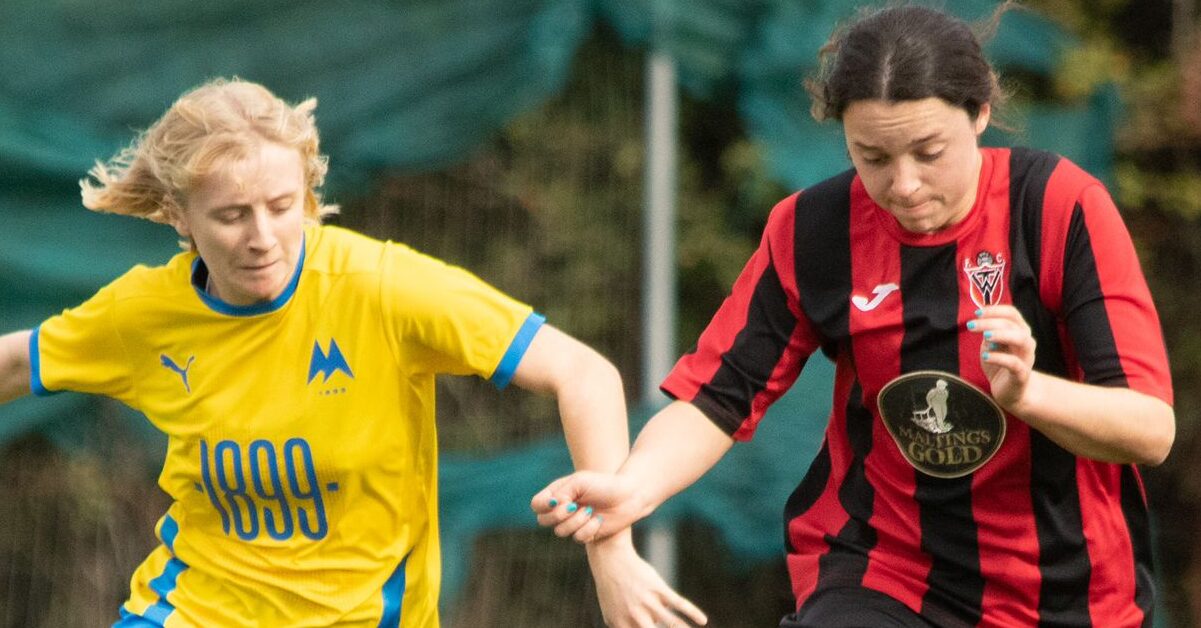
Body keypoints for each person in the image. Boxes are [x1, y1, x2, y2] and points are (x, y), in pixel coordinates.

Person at [533, 3, 1175, 627]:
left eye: (928, 152)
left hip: (1075, 593)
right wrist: (636, 488)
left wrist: (1031, 394)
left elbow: (1150, 431)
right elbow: (716, 399)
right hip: (883, 574)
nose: (903, 184)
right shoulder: (814, 230)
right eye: (872, 156)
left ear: (980, 113)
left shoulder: (1061, 208)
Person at [0, 77, 707, 627]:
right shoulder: (142, 314)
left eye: (281, 205)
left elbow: (584, 373)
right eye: (230, 215)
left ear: (307, 194)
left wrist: (611, 553)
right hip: (190, 608)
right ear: (179, 216)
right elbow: (14, 363)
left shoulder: (381, 286)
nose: (263, 237)